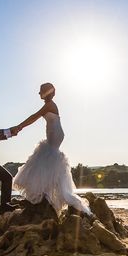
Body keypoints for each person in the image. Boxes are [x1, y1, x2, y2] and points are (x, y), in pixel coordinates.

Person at [13, 83, 91, 215]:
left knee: (44, 161)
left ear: (46, 93)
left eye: (41, 92)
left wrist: (19, 126)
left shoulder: (49, 105)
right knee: (46, 163)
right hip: (55, 135)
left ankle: (46, 196)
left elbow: (34, 116)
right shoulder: (49, 104)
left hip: (54, 136)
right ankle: (46, 195)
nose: (39, 94)